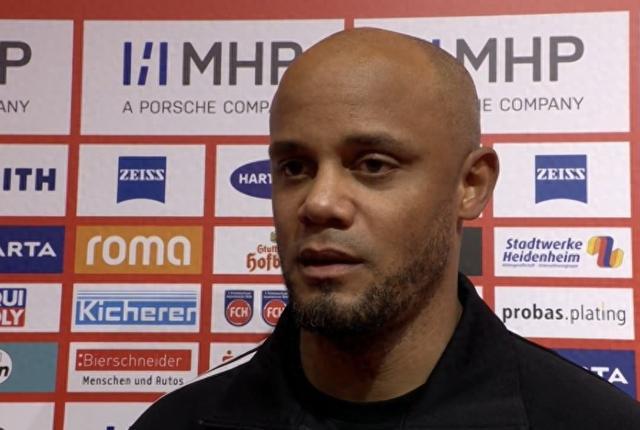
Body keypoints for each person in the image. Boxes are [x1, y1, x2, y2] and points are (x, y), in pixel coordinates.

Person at [131, 28, 640, 429]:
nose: (319, 203)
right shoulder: (177, 423)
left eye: (373, 165)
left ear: (471, 185)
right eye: (295, 167)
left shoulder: (595, 421)